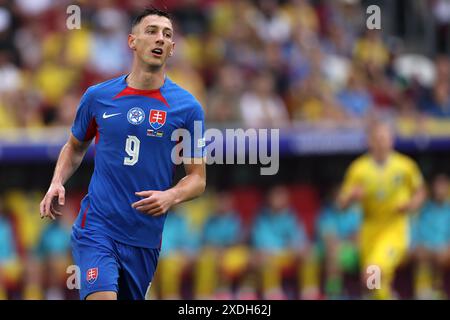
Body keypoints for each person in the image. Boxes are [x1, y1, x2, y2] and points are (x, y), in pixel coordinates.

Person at [39, 8, 206, 300]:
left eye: (167, 35)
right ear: (132, 41)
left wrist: (170, 196)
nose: (160, 39)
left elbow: (197, 179)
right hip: (97, 228)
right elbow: (75, 147)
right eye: (152, 31)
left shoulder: (188, 108)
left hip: (144, 238)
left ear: (172, 49)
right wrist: (57, 181)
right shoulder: (98, 97)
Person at [337, 122, 426, 299]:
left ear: (391, 141)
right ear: (369, 142)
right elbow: (342, 203)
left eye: (385, 138)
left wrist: (411, 205)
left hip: (394, 229)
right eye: (377, 138)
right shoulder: (359, 169)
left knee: (372, 273)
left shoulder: (405, 166)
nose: (381, 143)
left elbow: (420, 192)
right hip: (369, 231)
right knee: (374, 285)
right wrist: (351, 197)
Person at [410, 174, 450, 299]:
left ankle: (437, 289)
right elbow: (413, 231)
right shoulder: (423, 209)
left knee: (442, 255)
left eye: (443, 186)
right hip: (425, 248)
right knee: (421, 253)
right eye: (437, 186)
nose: (439, 189)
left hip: (444, 249)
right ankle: (423, 293)